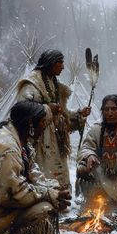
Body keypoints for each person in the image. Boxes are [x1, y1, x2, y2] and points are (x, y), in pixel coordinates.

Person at [0, 101, 71, 234]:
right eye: (42, 122)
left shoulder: (19, 139)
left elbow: (32, 174)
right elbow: (12, 194)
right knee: (45, 209)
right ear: (30, 123)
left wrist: (55, 189)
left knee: (52, 200)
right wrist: (48, 194)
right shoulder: (7, 147)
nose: (44, 126)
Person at [17, 49, 91, 188]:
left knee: (58, 178)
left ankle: (58, 200)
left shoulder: (55, 85)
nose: (63, 67)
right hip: (38, 141)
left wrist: (79, 115)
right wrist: (47, 108)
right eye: (60, 63)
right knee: (41, 177)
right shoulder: (32, 84)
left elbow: (64, 115)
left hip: (56, 140)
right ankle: (45, 202)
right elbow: (22, 110)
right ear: (50, 63)